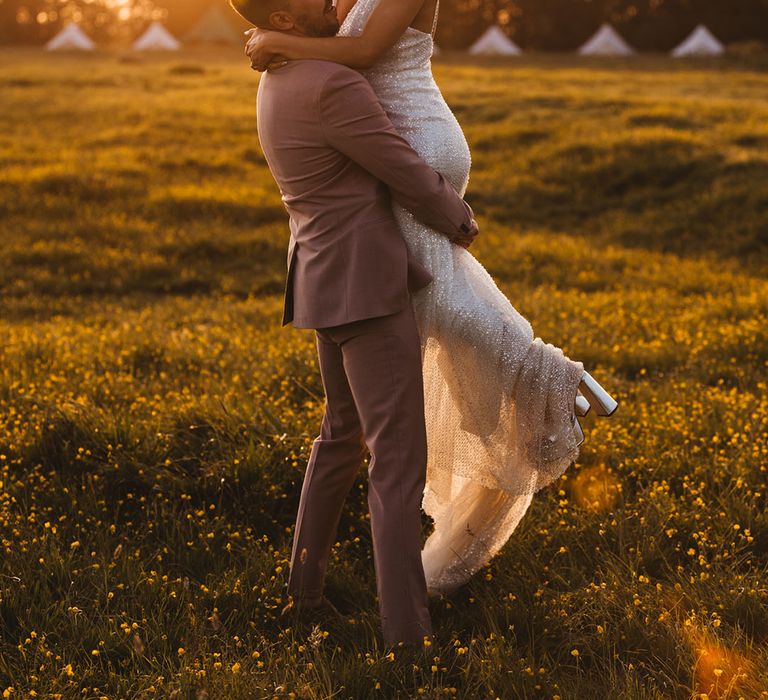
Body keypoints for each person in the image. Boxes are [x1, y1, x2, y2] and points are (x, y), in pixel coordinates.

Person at [241, 0, 619, 597]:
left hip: (413, 143)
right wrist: (276, 34)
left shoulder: (309, 55)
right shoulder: (320, 30)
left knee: (438, 305)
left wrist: (278, 41)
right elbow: (324, 33)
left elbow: (363, 52)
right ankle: (546, 378)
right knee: (436, 308)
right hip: (376, 155)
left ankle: (545, 376)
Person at [230, 0, 480, 646]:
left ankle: (302, 592)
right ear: (285, 11)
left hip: (317, 278)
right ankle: (407, 638)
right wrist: (455, 215)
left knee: (340, 437)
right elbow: (398, 166)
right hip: (366, 288)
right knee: (397, 461)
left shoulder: (275, 79)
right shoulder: (335, 84)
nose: (330, 3)